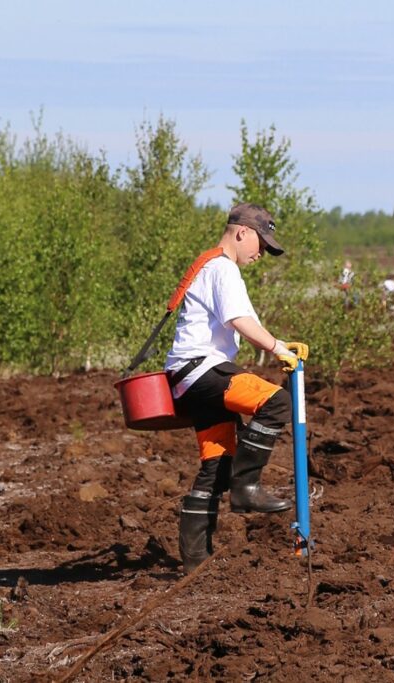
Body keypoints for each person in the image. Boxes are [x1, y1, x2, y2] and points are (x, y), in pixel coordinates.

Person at [164, 203, 309, 574]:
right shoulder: (223, 268)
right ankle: (246, 489)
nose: (261, 253)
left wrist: (279, 345)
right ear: (242, 231)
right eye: (261, 244)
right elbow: (240, 320)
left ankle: (196, 562)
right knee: (277, 402)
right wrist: (278, 348)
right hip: (202, 370)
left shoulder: (210, 265)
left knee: (216, 466)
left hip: (188, 379)